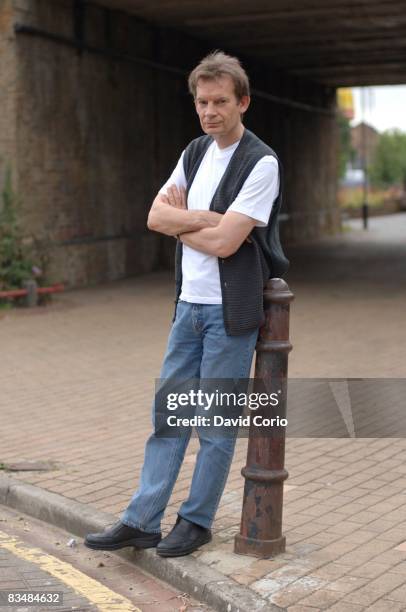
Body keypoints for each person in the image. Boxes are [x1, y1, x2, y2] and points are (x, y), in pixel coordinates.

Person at [85, 50, 288, 557]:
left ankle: (195, 523)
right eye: (202, 102)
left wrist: (188, 226)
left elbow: (225, 245)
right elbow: (157, 217)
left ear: (243, 102)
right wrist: (211, 221)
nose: (210, 111)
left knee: (215, 426)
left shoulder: (261, 162)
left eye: (221, 101)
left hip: (230, 312)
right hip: (188, 308)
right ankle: (142, 520)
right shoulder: (194, 152)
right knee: (168, 418)